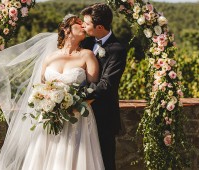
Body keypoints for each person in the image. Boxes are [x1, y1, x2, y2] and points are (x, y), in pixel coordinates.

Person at [0, 14, 105, 170]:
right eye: (78, 23)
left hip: (77, 118)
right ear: (66, 30)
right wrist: (47, 102)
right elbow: (41, 88)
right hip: (51, 118)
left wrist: (74, 105)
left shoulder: (87, 55)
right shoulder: (49, 58)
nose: (83, 26)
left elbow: (93, 89)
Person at [80, 3, 127, 170]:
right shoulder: (84, 43)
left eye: (86, 24)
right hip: (80, 116)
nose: (83, 26)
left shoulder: (118, 49)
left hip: (103, 117)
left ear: (99, 27)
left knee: (105, 162)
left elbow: (106, 85)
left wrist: (75, 96)